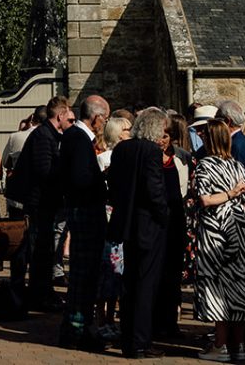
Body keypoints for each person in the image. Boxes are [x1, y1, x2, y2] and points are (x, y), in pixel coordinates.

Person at [106, 107, 172, 360]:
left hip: (126, 224)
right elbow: (154, 189)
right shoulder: (151, 152)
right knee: (145, 285)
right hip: (148, 226)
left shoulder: (123, 149)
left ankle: (128, 338)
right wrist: (164, 215)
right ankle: (140, 342)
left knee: (130, 283)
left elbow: (113, 184)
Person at [190, 118, 245, 362]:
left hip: (216, 233)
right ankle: (237, 346)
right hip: (240, 231)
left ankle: (220, 346)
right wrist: (234, 196)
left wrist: (227, 195)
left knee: (219, 287)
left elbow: (205, 199)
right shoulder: (237, 166)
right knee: (238, 285)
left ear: (209, 139)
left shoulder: (204, 166)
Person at [58, 93, 111, 350]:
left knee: (83, 275)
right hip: (85, 213)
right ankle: (77, 331)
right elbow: (80, 179)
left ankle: (76, 329)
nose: (105, 124)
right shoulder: (78, 139)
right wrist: (101, 181)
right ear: (97, 117)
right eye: (106, 118)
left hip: (81, 210)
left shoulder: (74, 138)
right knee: (84, 275)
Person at [13, 95, 71, 311]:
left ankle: (43, 291)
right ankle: (40, 293)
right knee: (40, 250)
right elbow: (43, 171)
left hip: (45, 203)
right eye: (69, 118)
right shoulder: (43, 137)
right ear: (60, 115)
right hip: (39, 204)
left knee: (44, 249)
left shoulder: (48, 135)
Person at [97, 114, 132, 342]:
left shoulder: (127, 154)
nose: (131, 132)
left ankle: (112, 317)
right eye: (127, 129)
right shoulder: (105, 158)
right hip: (108, 217)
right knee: (107, 271)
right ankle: (102, 319)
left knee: (117, 273)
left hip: (119, 217)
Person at [2, 106, 45, 220]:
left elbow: (5, 162)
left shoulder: (15, 137)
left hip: (18, 192)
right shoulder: (48, 136)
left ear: (32, 119)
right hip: (40, 194)